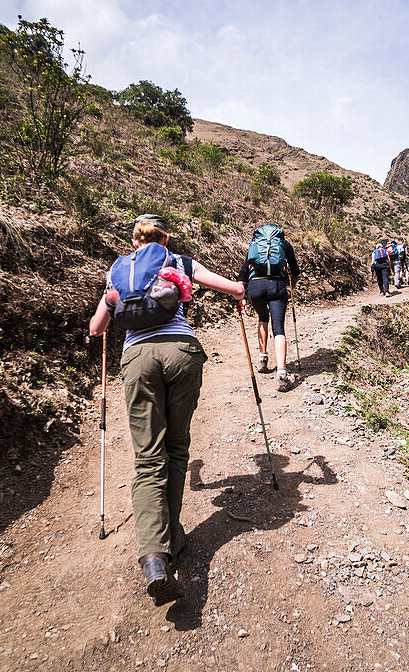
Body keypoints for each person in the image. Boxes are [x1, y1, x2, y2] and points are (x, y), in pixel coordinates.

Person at [89, 214, 245, 606]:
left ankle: (155, 560)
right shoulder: (178, 261)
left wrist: (109, 314)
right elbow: (231, 289)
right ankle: (172, 534)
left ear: (134, 239)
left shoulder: (118, 269)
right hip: (181, 353)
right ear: (166, 237)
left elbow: (96, 328)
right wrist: (242, 291)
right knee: (175, 450)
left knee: (147, 459)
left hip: (137, 359)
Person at [236, 223, 300, 392]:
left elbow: (245, 269)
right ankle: (281, 374)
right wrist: (288, 274)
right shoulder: (284, 244)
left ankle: (263, 359)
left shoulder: (255, 244)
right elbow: (295, 270)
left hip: (256, 287)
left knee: (262, 318)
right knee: (279, 329)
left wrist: (240, 293)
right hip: (277, 286)